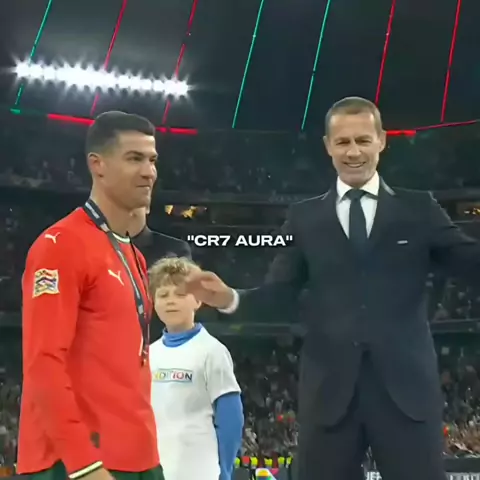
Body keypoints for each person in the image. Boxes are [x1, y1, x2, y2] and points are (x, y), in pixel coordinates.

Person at [179, 97, 480, 480]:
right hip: (329, 396)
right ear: (328, 146)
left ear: (381, 141)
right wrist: (231, 298)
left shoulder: (419, 209)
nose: (353, 152)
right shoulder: (304, 217)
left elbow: (469, 262)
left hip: (406, 393)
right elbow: (280, 293)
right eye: (343, 142)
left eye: (363, 140)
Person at [18, 111, 165, 480]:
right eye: (134, 158)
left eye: (152, 160)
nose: (149, 172)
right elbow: (43, 363)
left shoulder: (133, 255)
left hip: (139, 457)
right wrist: (83, 463)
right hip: (78, 463)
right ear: (97, 165)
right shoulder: (60, 245)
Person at [148, 256, 243, 480]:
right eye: (163, 295)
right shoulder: (149, 353)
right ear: (153, 302)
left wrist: (224, 471)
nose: (171, 301)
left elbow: (231, 418)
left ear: (198, 301)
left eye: (180, 294)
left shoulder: (212, 351)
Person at [130, 206, 191, 343]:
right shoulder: (97, 247)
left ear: (146, 207)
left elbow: (181, 297)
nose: (128, 211)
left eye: (133, 205)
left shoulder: (174, 249)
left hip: (159, 341)